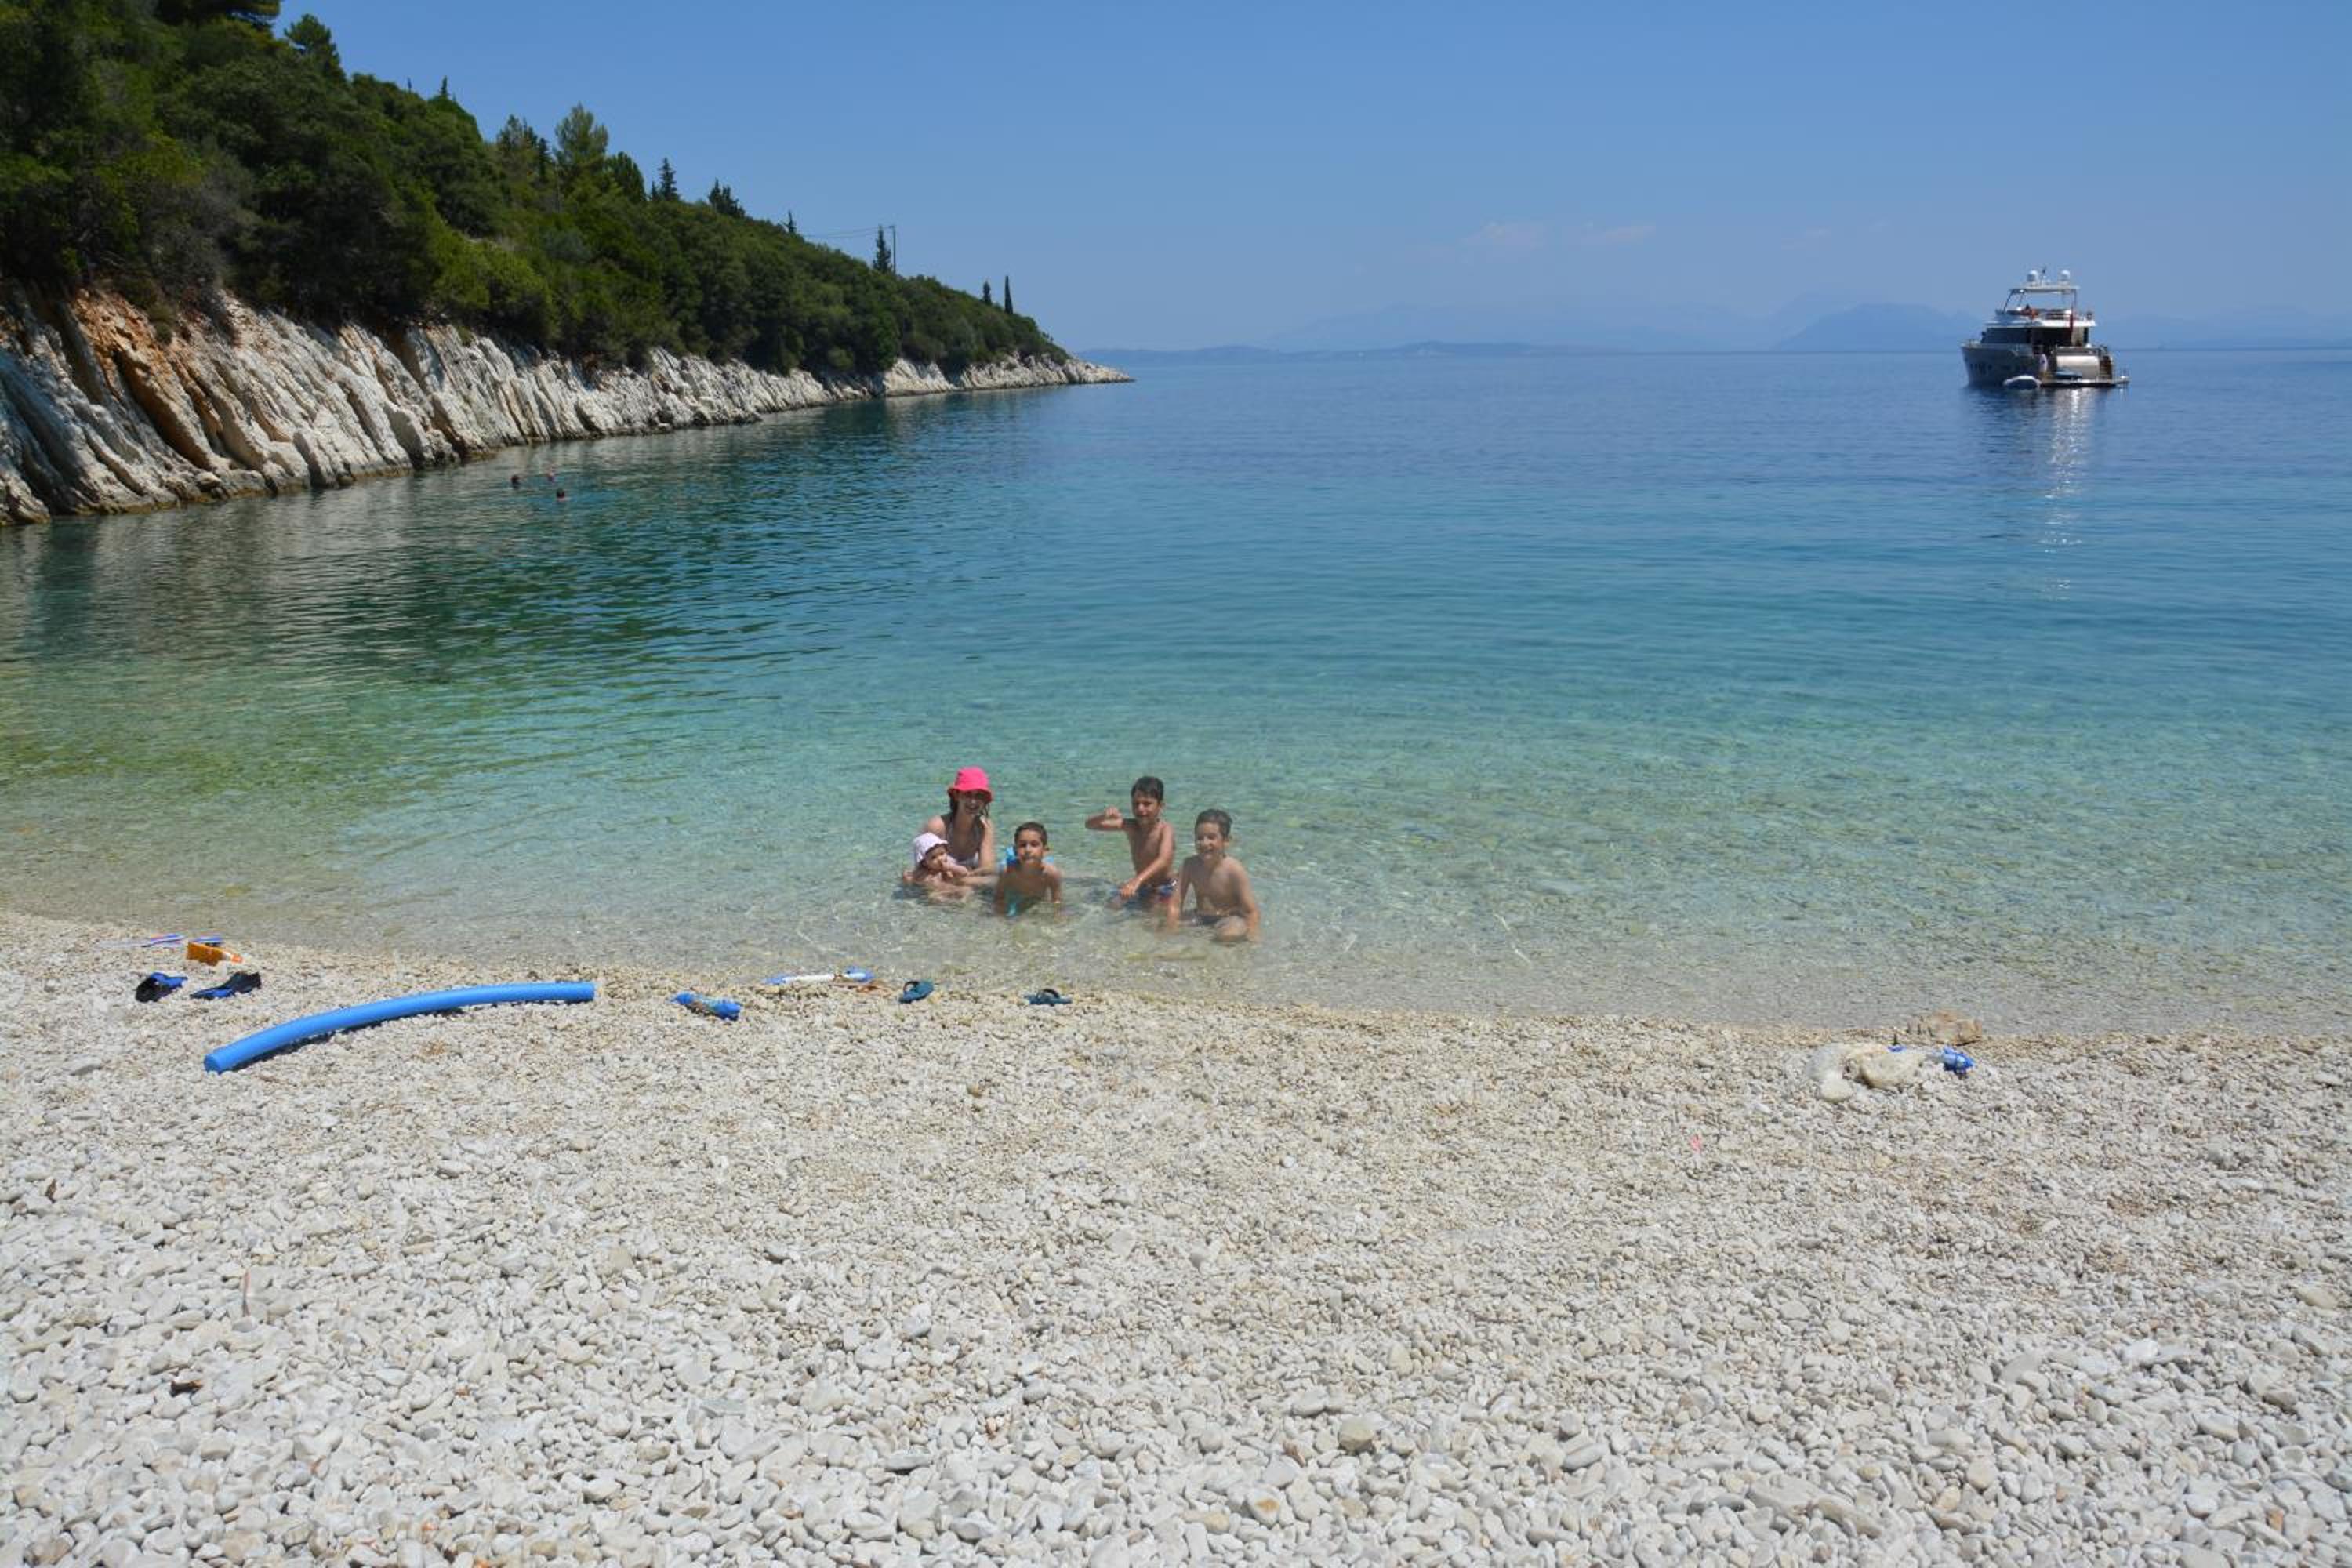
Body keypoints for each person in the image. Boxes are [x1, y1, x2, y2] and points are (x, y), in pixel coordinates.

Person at [1163, 808, 1260, 943]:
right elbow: (1175, 904)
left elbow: (1251, 912)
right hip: (1200, 916)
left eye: (1211, 837)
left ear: (1226, 841)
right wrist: (1170, 931)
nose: (1204, 843)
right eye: (1199, 838)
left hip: (1228, 918)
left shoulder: (1233, 870)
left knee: (1229, 935)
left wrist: (1254, 937)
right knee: (1159, 924)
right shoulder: (1189, 865)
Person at [1086, 775, 1176, 908]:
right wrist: (1103, 816)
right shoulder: (1131, 826)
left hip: (1166, 887)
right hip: (1143, 886)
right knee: (1112, 906)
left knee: (1153, 914)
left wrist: (1136, 881)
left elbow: (1164, 860)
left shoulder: (1165, 829)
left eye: (1147, 804)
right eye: (1136, 803)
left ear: (1161, 806)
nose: (1140, 809)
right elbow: (1090, 825)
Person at [920, 767, 997, 887]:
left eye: (979, 796)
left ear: (985, 800)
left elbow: (987, 872)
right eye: (968, 794)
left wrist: (961, 881)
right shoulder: (937, 827)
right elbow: (921, 873)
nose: (973, 801)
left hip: (968, 887)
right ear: (957, 796)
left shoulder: (985, 827)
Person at [993, 822, 1063, 917]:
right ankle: (975, 873)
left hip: (1040, 865)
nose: (1028, 850)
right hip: (1011, 863)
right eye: (1022, 845)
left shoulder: (1051, 874)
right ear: (1015, 850)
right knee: (989, 872)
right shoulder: (1008, 871)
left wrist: (1057, 918)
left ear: (1045, 850)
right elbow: (999, 898)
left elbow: (1057, 902)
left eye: (1034, 844)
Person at [902, 831, 973, 900]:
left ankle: (960, 902)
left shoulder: (948, 867)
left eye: (942, 853)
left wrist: (951, 867)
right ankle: (953, 903)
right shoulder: (924, 873)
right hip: (938, 893)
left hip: (953, 888)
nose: (940, 859)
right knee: (934, 897)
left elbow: (964, 873)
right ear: (924, 862)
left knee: (967, 889)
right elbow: (911, 879)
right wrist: (907, 878)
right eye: (933, 857)